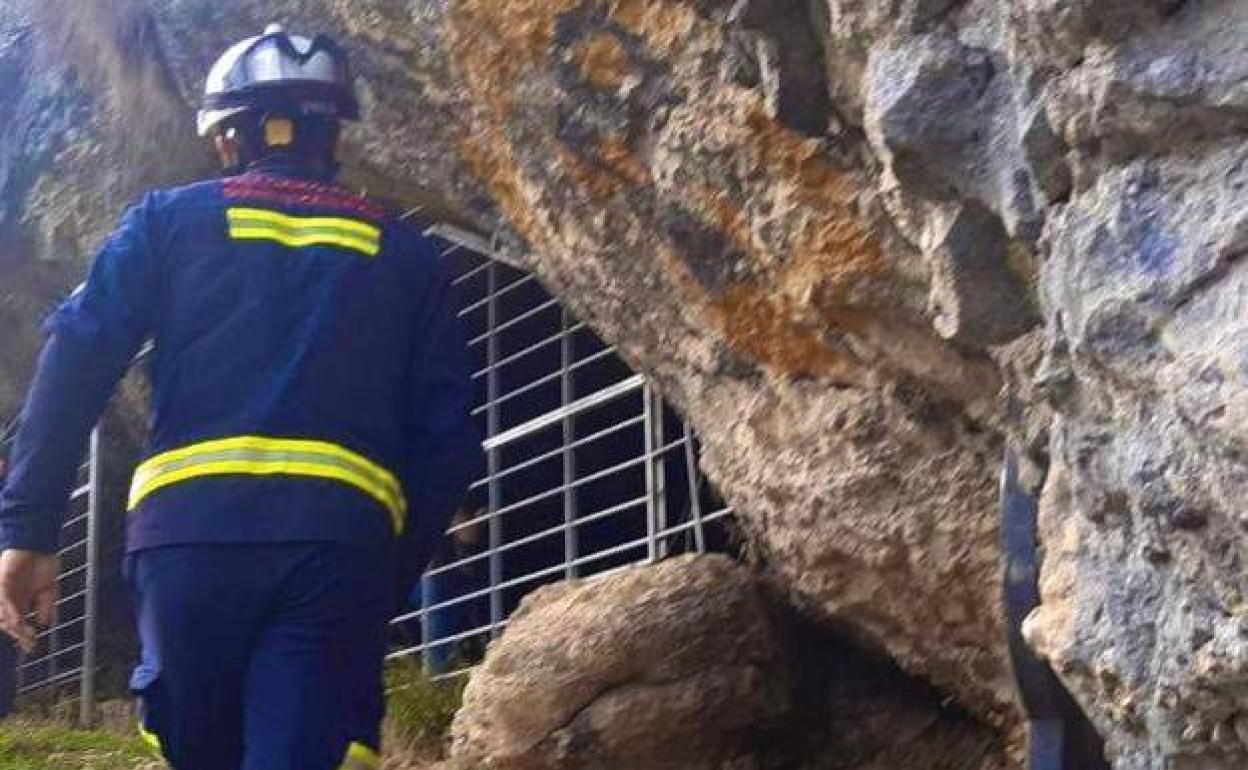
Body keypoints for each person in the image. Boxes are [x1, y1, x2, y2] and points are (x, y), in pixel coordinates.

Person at [0, 24, 481, 770]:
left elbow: (75, 361)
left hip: (187, 547)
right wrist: (387, 570)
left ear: (226, 138)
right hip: (335, 549)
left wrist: (29, 530)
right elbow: (445, 443)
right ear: (335, 136)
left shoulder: (165, 224)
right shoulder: (409, 258)